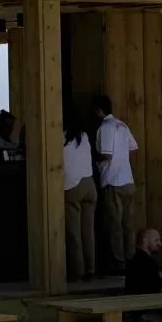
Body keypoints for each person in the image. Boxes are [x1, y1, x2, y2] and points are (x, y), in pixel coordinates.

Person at [92, 94, 139, 271]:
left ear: (99, 111)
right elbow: (133, 147)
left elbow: (106, 154)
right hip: (128, 179)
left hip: (113, 180)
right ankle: (131, 258)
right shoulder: (122, 125)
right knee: (129, 224)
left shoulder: (105, 127)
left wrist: (93, 159)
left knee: (115, 224)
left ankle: (118, 262)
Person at [61, 108, 98, 281]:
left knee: (74, 232)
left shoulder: (61, 137)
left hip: (72, 186)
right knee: (88, 231)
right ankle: (91, 269)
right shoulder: (83, 136)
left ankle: (77, 271)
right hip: (89, 184)